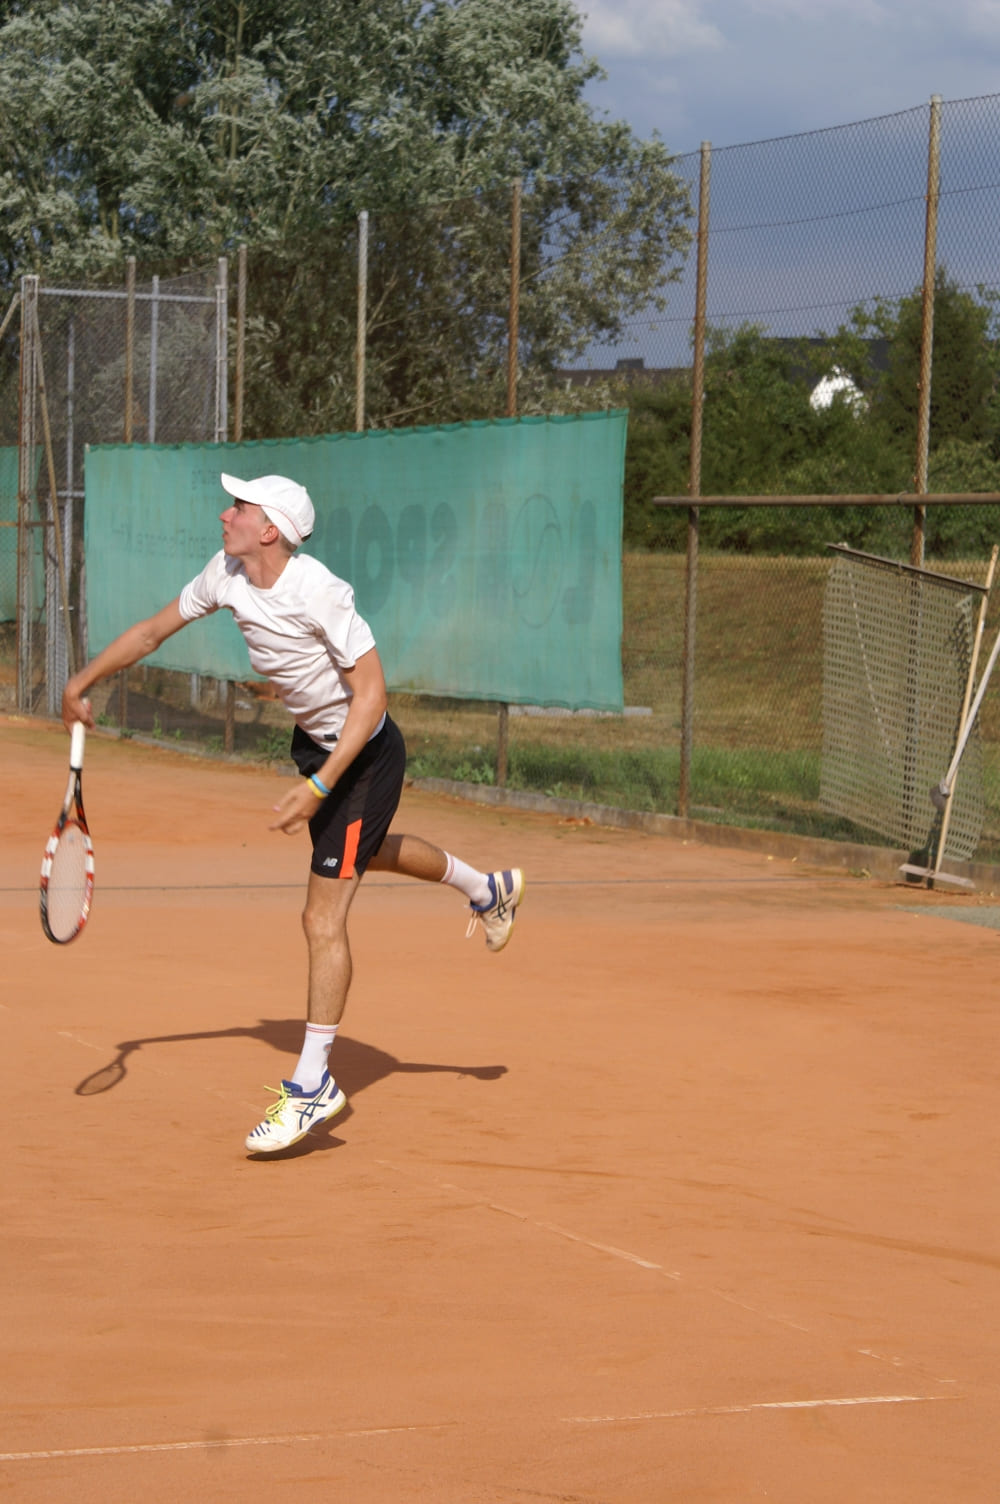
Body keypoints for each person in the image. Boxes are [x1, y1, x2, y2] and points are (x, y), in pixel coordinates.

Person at [61, 472, 524, 1155]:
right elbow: (154, 631)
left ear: (270, 528)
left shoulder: (321, 592)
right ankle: (488, 889)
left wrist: (320, 787)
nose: (225, 514)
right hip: (317, 747)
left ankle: (313, 1087)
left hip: (363, 755)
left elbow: (372, 696)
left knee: (320, 914)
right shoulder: (225, 573)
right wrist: (82, 680)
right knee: (363, 854)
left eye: (239, 507)